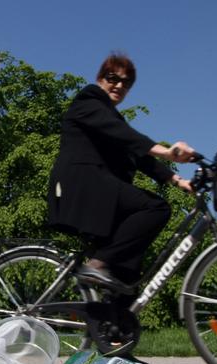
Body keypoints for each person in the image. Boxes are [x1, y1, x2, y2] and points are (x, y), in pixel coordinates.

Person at [47, 52, 196, 291]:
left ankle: (110, 323)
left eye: (126, 83)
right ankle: (96, 265)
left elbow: (137, 155)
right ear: (99, 78)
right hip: (82, 185)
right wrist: (167, 152)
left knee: (125, 273)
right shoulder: (88, 100)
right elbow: (124, 135)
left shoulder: (109, 114)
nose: (118, 85)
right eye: (112, 78)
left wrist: (178, 180)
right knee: (155, 208)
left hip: (97, 191)